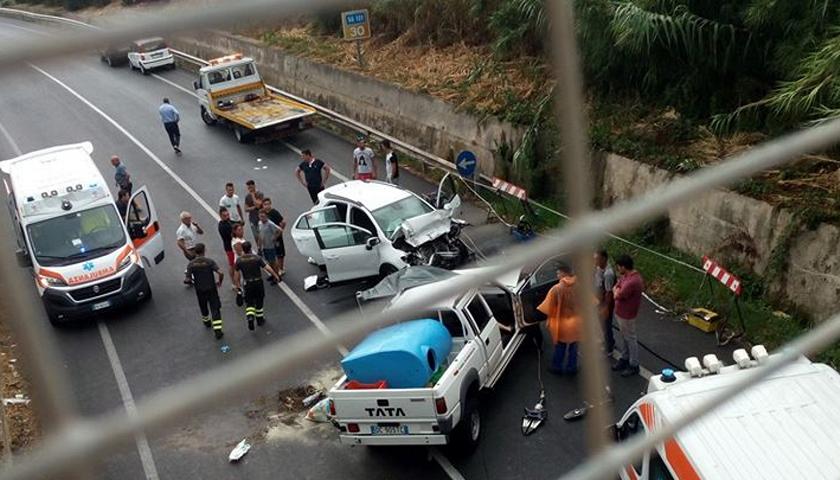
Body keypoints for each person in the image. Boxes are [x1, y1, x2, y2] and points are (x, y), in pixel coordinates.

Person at [537, 263, 583, 375]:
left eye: (558, 272)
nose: (557, 274)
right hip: (576, 322)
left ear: (564, 273)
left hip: (561, 323)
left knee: (560, 346)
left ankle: (557, 367)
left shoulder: (556, 289)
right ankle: (571, 368)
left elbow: (548, 307)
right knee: (573, 347)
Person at [234, 241, 280, 331]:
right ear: (250, 248)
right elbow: (267, 267)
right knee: (259, 300)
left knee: (249, 302)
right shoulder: (257, 258)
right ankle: (259, 320)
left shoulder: (239, 260)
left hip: (247, 283)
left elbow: (236, 275)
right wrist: (275, 275)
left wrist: (237, 285)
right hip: (258, 282)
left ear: (243, 249)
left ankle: (250, 317)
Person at [612, 254, 645, 377]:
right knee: (625, 337)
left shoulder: (632, 281)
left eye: (619, 267)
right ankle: (625, 358)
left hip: (627, 314)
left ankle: (634, 364)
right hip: (622, 313)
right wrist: (617, 289)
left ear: (624, 267)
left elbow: (617, 293)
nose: (618, 269)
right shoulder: (627, 276)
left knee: (630, 338)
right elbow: (617, 286)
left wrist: (616, 290)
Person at [186, 243, 224, 339]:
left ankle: (206, 321)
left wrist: (191, 280)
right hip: (211, 288)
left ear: (195, 251)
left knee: (203, 306)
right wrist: (219, 281)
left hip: (200, 290)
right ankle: (217, 330)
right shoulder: (209, 262)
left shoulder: (191, 264)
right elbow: (220, 272)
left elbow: (188, 278)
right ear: (204, 250)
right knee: (215, 308)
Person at [594, 249, 617, 356]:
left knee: (606, 324)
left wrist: (606, 307)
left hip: (606, 302)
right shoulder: (599, 268)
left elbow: (609, 293)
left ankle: (609, 347)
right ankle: (606, 341)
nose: (595, 261)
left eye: (597, 259)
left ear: (604, 259)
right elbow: (598, 284)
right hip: (599, 299)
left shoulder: (609, 274)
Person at [176, 211, 204, 285]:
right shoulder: (181, 230)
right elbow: (179, 242)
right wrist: (186, 251)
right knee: (196, 261)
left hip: (195, 247)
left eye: (190, 218)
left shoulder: (192, 225)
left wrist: (197, 226)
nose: (190, 220)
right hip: (189, 249)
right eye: (188, 219)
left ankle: (188, 273)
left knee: (196, 262)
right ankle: (191, 276)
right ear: (183, 220)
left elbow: (201, 232)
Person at [261, 197, 287, 275]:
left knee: (280, 253)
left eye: (268, 204)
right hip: (268, 238)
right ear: (262, 205)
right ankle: (274, 269)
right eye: (265, 204)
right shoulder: (263, 213)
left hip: (276, 237)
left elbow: (283, 222)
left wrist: (279, 233)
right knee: (271, 253)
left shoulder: (274, 212)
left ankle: (281, 269)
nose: (267, 206)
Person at [256, 210, 283, 284]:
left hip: (270, 246)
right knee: (269, 261)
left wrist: (274, 238)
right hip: (265, 246)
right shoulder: (260, 223)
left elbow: (280, 230)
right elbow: (260, 235)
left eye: (263, 216)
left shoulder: (270, 224)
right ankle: (273, 274)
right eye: (260, 216)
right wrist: (259, 246)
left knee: (273, 261)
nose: (262, 218)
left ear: (266, 216)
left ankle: (277, 276)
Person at [218, 207, 236, 277]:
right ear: (220, 216)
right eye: (224, 215)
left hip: (234, 245)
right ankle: (233, 282)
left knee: (236, 264)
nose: (227, 217)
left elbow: (235, 223)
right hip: (229, 248)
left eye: (227, 215)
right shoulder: (222, 226)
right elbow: (230, 236)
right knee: (232, 265)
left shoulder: (229, 221)